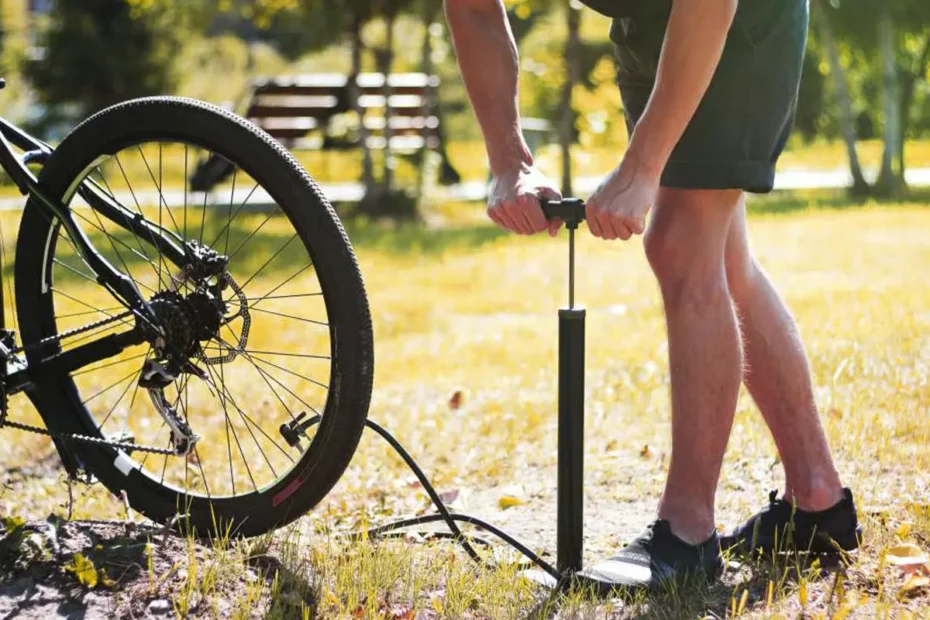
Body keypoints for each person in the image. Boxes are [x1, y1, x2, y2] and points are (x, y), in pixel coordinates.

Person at [443, 0, 861, 591]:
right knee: (721, 258)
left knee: (679, 240)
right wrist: (508, 161)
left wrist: (642, 166)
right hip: (648, 27)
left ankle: (687, 532)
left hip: (735, 17)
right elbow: (473, 8)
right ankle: (817, 500)